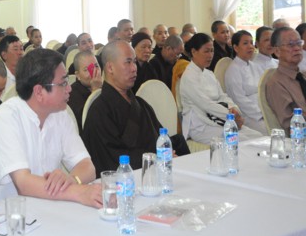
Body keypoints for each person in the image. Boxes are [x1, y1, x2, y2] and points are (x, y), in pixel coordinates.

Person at [0, 49, 102, 207]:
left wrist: (71, 180)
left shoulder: (60, 114)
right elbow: (23, 183)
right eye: (63, 83)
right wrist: (78, 192)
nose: (69, 89)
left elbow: (87, 166)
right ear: (39, 91)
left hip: (49, 208)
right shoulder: (8, 115)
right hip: (8, 213)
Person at [81, 41, 188, 176]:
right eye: (128, 62)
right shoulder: (99, 112)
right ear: (110, 67)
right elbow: (111, 159)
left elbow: (160, 138)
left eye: (134, 62)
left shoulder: (141, 104)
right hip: (126, 182)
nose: (134, 68)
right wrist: (156, 159)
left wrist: (167, 153)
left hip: (156, 174)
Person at [180, 33, 262, 144]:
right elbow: (206, 105)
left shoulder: (209, 74)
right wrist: (231, 116)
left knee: (257, 136)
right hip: (200, 126)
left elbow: (222, 96)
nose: (210, 55)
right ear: (194, 52)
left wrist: (234, 109)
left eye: (212, 51)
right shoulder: (189, 77)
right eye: (206, 51)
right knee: (243, 140)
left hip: (221, 119)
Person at [224, 30, 267, 135]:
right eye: (245, 43)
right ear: (236, 48)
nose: (250, 46)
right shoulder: (233, 70)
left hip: (264, 110)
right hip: (248, 115)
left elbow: (264, 89)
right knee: (269, 130)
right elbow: (239, 99)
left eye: (251, 43)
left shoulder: (255, 66)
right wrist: (260, 114)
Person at [265, 27, 306, 134]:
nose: (297, 48)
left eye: (299, 43)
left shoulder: (302, 76)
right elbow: (290, 125)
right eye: (291, 44)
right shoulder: (276, 83)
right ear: (277, 51)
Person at [67, 50, 102, 133]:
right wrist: (95, 92)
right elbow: (90, 123)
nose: (94, 72)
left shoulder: (105, 86)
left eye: (96, 66)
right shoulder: (72, 95)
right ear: (78, 75)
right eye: (87, 69)